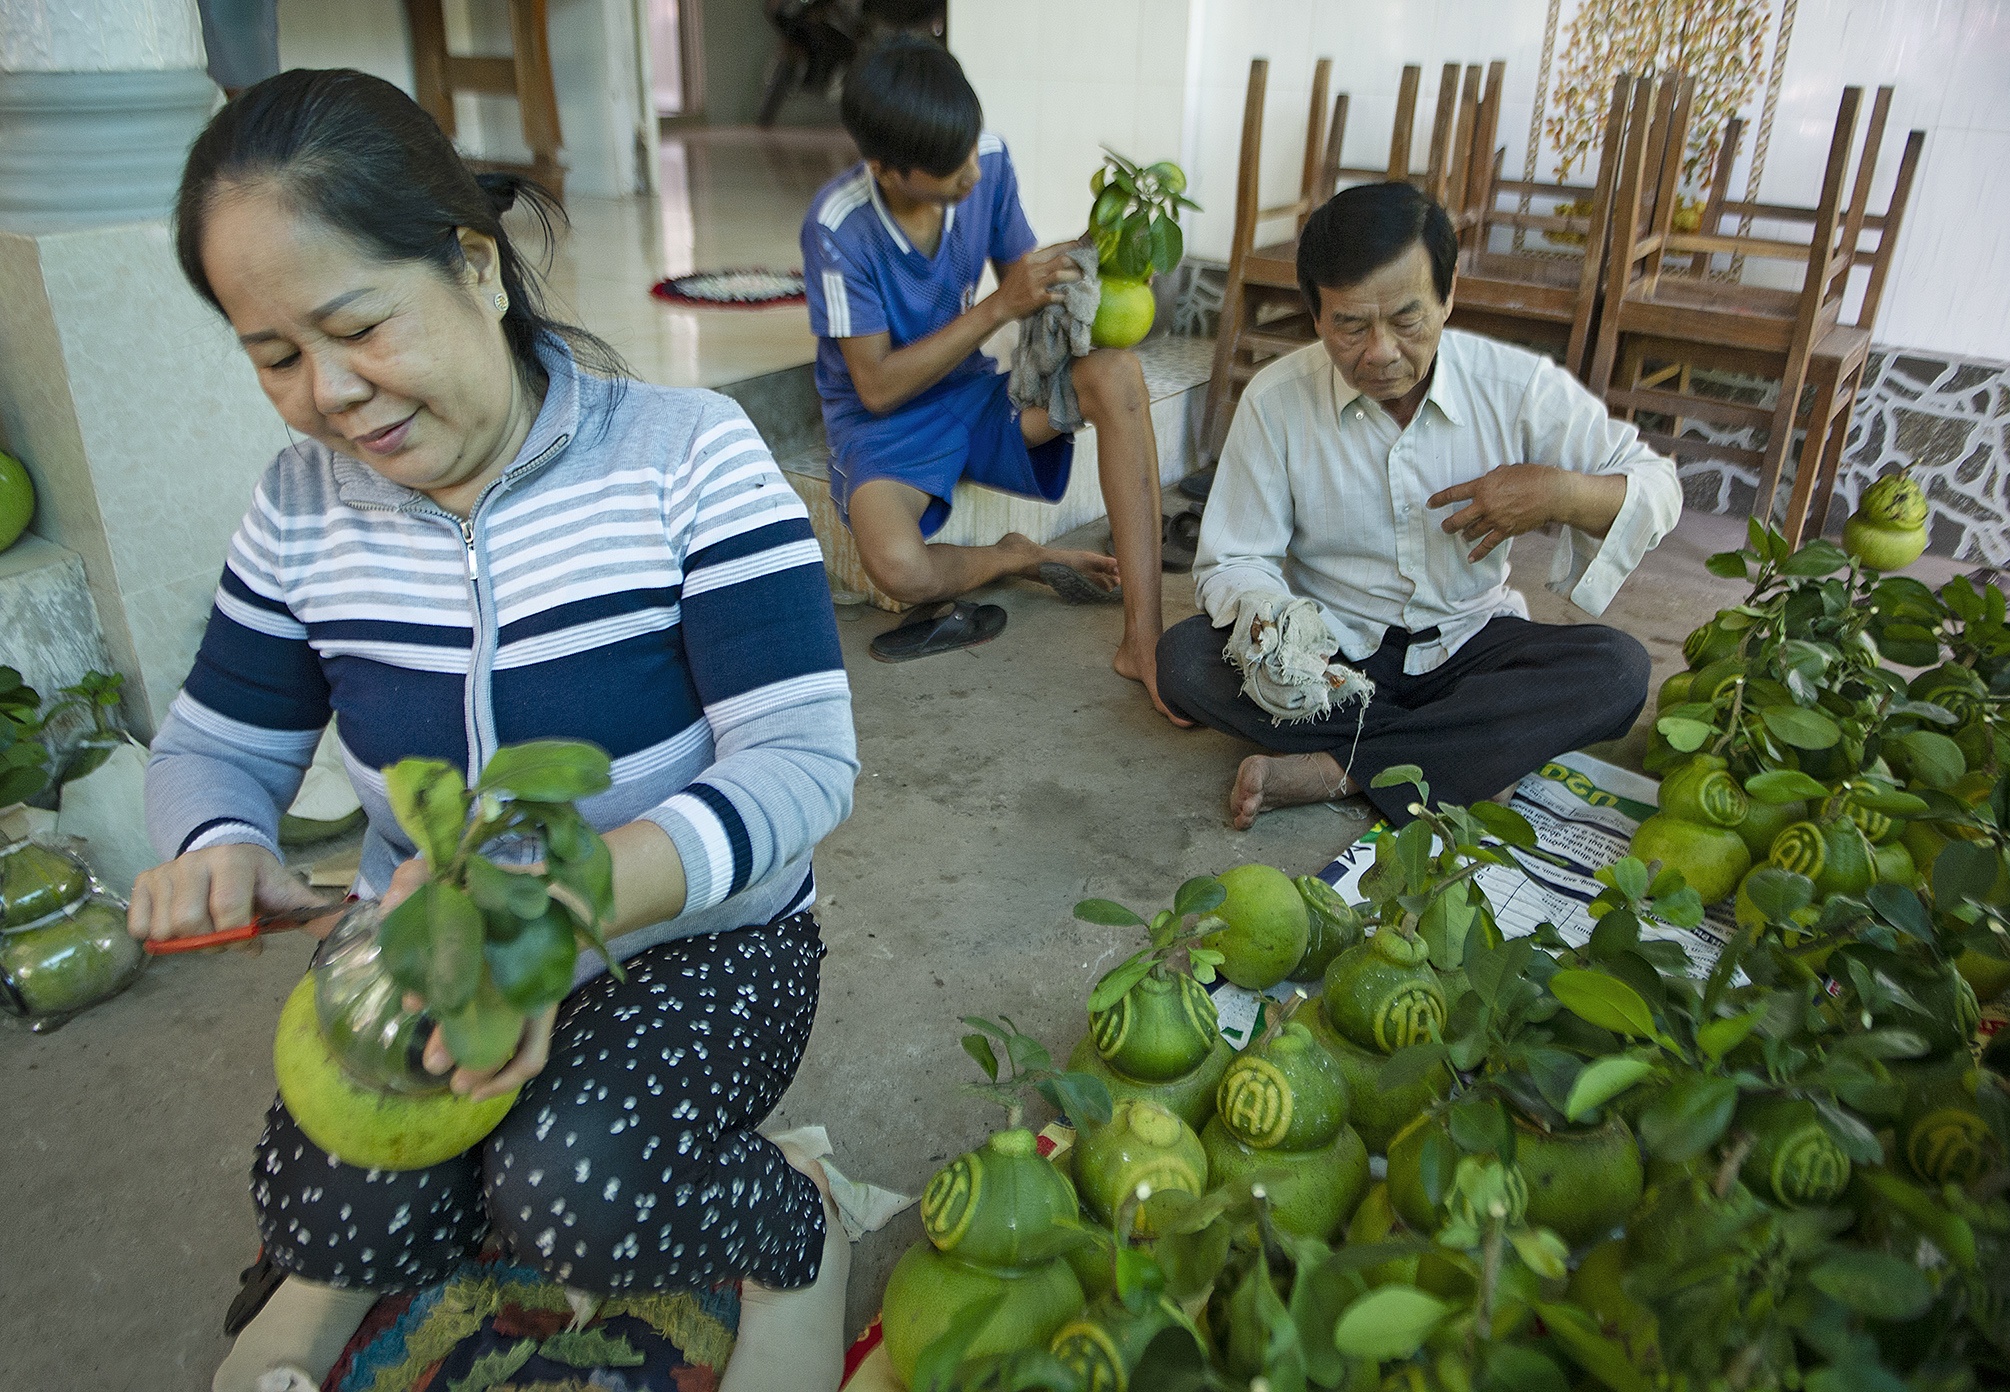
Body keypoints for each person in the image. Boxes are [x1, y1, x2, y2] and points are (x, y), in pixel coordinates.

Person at [129, 70, 858, 1392]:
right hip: (430, 951)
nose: (329, 395)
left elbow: (802, 766)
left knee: (572, 1186)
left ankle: (797, 1233)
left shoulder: (687, 458)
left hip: (694, 947)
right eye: (275, 355)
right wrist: (217, 837)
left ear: (474, 265)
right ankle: (335, 1272)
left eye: (357, 327)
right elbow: (219, 747)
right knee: (328, 1193)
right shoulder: (300, 509)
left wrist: (566, 906)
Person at [1158, 182, 1682, 828]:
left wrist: (1558, 492)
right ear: (1316, 315)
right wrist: (1279, 628)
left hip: (1471, 643)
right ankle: (1461, 754)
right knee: (1184, 661)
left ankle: (1341, 769)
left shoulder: (1511, 385)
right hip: (1335, 651)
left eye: (1407, 320)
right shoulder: (1276, 400)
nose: (1379, 352)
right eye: (1350, 325)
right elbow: (1235, 559)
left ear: (1448, 294)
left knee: (1618, 670)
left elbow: (1658, 485)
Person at [801, 37, 1187, 723]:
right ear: (886, 171)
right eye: (949, 173)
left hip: (976, 394)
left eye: (971, 152)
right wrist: (1000, 305)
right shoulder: (838, 228)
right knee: (898, 569)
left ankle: (1143, 639)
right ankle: (1013, 557)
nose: (970, 178)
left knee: (1119, 376)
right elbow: (878, 388)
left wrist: (1101, 267)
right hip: (883, 424)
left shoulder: (987, 159)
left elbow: (1023, 286)